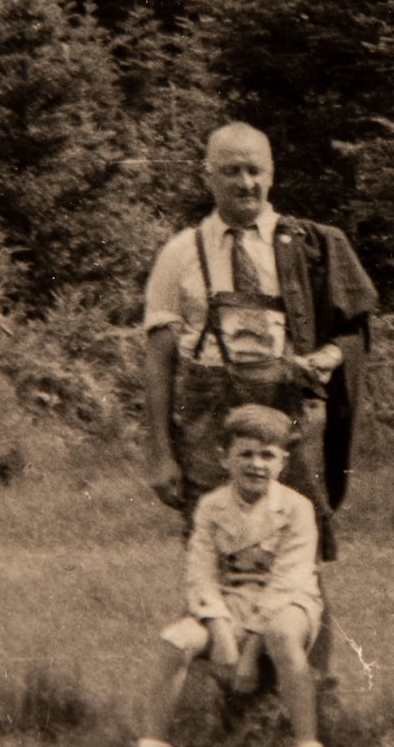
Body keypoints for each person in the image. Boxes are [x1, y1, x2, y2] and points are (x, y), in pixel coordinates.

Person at [141, 122, 378, 558]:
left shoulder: (310, 248)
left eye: (255, 170)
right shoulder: (180, 252)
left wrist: (327, 356)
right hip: (208, 428)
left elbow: (354, 333)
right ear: (207, 176)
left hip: (290, 423)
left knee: (297, 558)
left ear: (271, 174)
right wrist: (159, 454)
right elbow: (158, 362)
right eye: (231, 171)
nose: (245, 183)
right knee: (216, 555)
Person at [137, 406, 325, 747]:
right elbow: (201, 574)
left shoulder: (297, 508)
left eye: (267, 455)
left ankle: (307, 742)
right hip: (228, 603)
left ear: (282, 461)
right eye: (246, 454)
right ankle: (153, 743)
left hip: (288, 604)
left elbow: (287, 581)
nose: (257, 464)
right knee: (176, 641)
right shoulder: (211, 506)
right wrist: (222, 635)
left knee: (282, 635)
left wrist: (249, 656)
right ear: (225, 459)